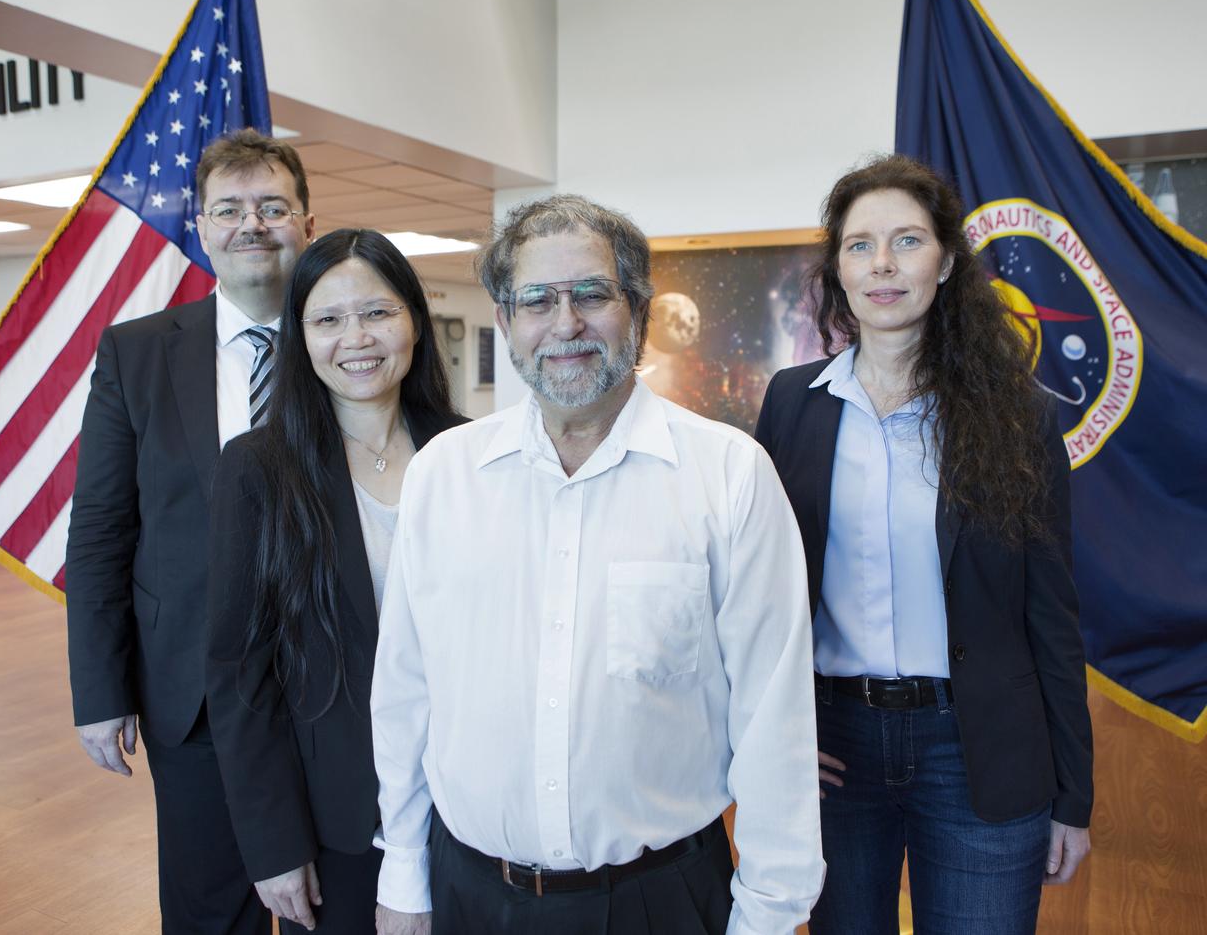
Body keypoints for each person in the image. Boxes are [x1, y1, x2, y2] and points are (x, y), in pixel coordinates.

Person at [371, 194, 823, 935]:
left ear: (638, 311)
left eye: (591, 294)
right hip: (470, 896)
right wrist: (403, 873)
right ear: (506, 321)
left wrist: (770, 916)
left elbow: (774, 720)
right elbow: (404, 696)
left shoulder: (729, 475)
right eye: (537, 300)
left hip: (661, 902)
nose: (565, 323)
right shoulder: (442, 476)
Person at [754, 154, 1093, 934]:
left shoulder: (1019, 416)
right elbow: (760, 594)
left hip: (976, 747)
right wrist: (775, 734)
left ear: (945, 262)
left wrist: (1074, 793)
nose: (882, 264)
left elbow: (1053, 615)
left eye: (907, 241)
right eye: (859, 244)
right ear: (836, 268)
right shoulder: (792, 405)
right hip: (833, 745)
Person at [66, 129, 314, 934]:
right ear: (201, 227)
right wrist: (99, 692)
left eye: (273, 207)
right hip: (194, 691)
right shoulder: (135, 355)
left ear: (306, 221)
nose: (253, 224)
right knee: (213, 911)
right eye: (230, 209)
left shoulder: (348, 343)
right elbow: (102, 529)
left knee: (338, 905)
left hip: (335, 682)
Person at [206, 228, 465, 933]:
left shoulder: (470, 455)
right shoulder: (258, 468)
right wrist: (274, 845)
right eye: (327, 319)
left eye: (378, 312)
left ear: (414, 318)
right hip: (336, 824)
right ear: (301, 336)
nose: (357, 337)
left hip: (471, 807)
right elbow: (239, 674)